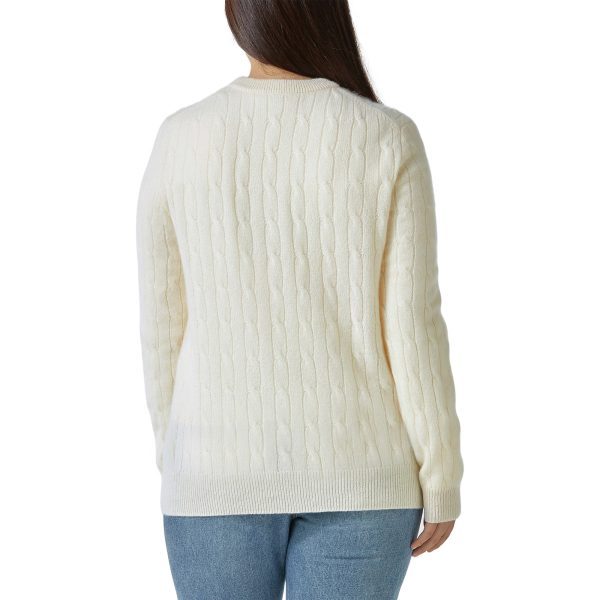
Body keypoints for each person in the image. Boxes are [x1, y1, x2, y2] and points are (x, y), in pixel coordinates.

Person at [135, 1, 464, 598]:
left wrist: (178, 455)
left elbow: (163, 323)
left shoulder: (181, 137)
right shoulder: (385, 135)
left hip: (212, 476)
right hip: (364, 479)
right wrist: (440, 473)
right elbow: (412, 325)